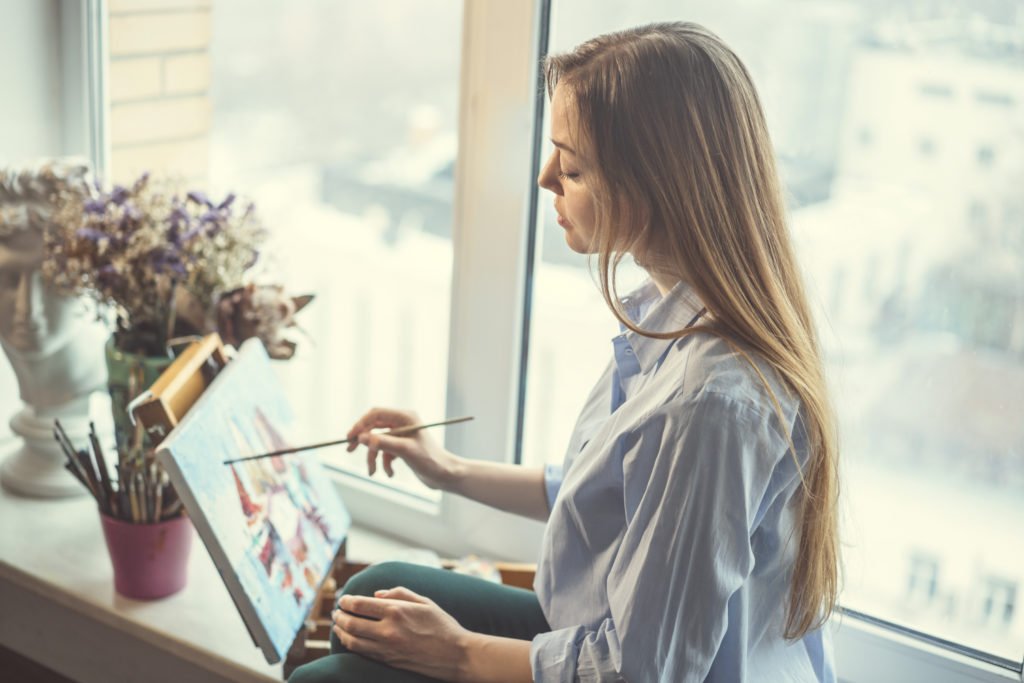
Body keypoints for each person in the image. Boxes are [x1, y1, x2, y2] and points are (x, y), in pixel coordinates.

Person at [289, 21, 839, 683]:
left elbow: (639, 671)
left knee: (327, 678)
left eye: (573, 165)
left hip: (631, 669)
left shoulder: (709, 402)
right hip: (604, 635)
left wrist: (456, 651)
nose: (547, 177)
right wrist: (448, 468)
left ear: (655, 185)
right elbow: (601, 494)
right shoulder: (664, 315)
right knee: (370, 593)